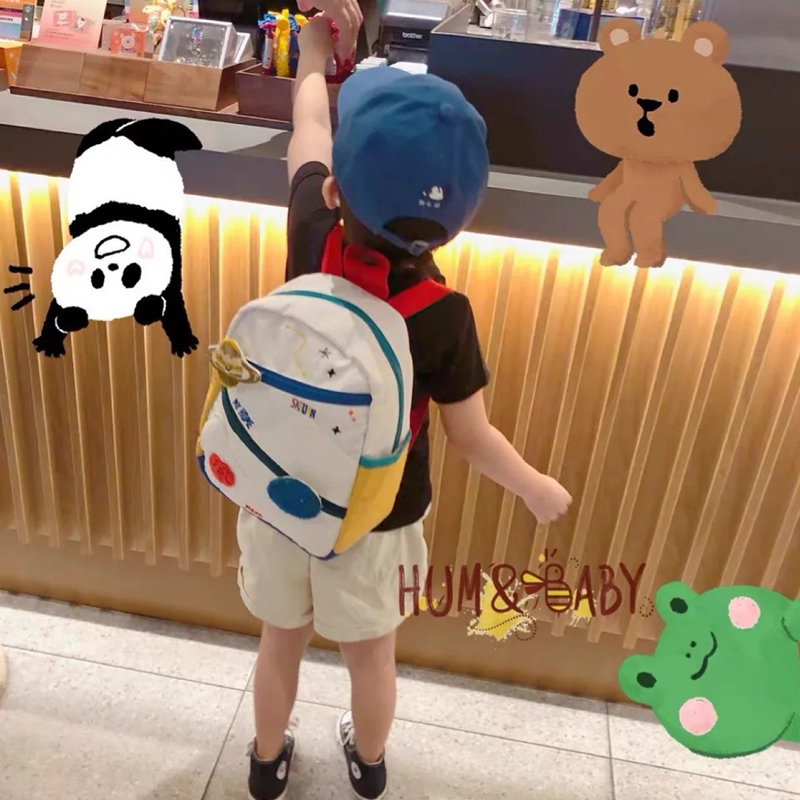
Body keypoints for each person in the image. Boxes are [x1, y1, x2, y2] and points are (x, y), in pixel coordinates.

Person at [241, 13, 573, 800]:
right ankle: (369, 764)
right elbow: (472, 437)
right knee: (372, 655)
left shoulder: (312, 228)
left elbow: (309, 123)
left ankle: (265, 761)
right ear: (458, 221)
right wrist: (533, 487)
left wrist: (316, 52)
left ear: (336, 190)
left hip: (281, 494)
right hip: (380, 514)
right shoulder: (444, 314)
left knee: (279, 641)